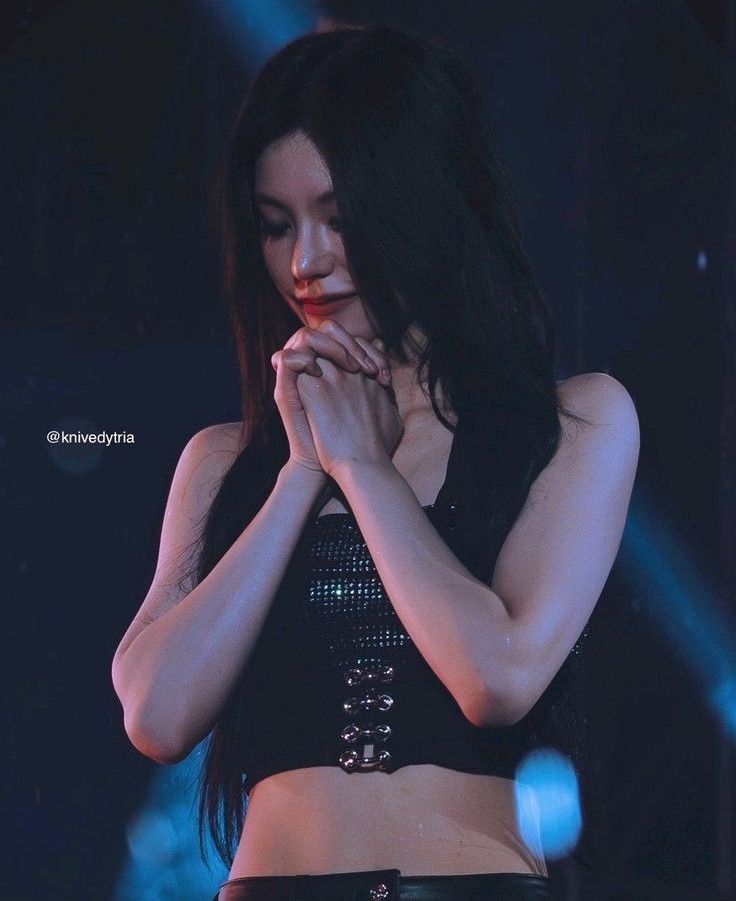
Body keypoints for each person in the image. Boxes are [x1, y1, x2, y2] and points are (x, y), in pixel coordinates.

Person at [111, 27, 639, 901]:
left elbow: (498, 676)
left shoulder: (573, 422)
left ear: (423, 202)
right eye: (276, 226)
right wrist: (300, 473)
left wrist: (363, 466)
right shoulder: (224, 460)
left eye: (339, 217)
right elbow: (156, 714)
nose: (305, 262)